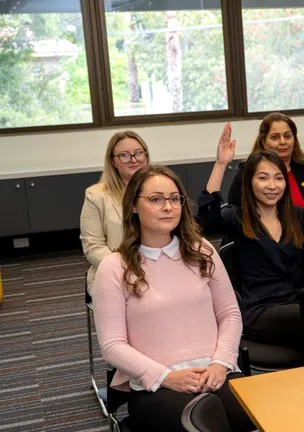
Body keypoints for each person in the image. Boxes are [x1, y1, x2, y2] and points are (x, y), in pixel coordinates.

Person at [92, 165, 253, 432]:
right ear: (133, 205)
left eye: (174, 198)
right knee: (205, 424)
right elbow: (113, 346)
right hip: (156, 386)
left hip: (216, 373)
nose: (168, 206)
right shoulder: (114, 267)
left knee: (258, 415)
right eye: (156, 199)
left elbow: (230, 315)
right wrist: (167, 377)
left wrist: (220, 363)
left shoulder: (202, 250)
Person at [199, 129, 304, 353]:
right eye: (263, 178)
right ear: (250, 182)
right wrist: (220, 164)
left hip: (300, 303)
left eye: (278, 178)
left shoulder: (298, 216)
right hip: (261, 310)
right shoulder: (237, 218)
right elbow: (207, 217)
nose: (272, 186)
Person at [226, 114, 304, 238]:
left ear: (294, 140)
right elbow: (236, 213)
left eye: (287, 136)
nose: (283, 142)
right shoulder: (246, 171)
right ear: (263, 142)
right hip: (260, 244)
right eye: (275, 137)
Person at [81, 131, 150, 296]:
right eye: (124, 155)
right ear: (113, 161)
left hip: (159, 268)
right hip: (116, 274)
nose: (134, 159)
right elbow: (93, 247)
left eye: (138, 153)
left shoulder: (161, 189)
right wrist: (127, 270)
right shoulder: (96, 196)